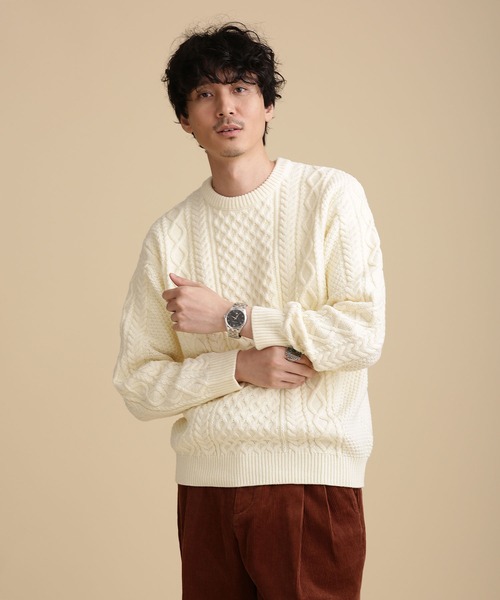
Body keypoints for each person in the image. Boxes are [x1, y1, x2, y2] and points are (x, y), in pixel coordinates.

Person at [113, 22, 385, 600]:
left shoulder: (330, 196)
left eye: (240, 88)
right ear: (185, 120)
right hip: (206, 489)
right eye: (205, 93)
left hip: (311, 479)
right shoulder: (169, 235)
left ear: (268, 106)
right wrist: (237, 367)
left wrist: (235, 318)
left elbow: (362, 333)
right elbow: (138, 385)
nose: (226, 107)